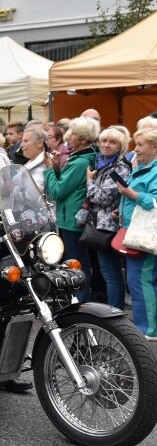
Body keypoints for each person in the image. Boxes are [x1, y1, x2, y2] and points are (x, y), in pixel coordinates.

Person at [44, 116, 100, 303]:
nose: (69, 136)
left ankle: (80, 300)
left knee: (77, 262)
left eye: (74, 133)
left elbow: (57, 191)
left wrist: (49, 170)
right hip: (74, 216)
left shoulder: (79, 162)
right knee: (80, 260)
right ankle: (79, 297)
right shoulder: (86, 157)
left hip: (71, 219)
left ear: (83, 139)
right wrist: (56, 168)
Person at [116, 128, 157, 339]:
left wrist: (130, 194)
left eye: (141, 144)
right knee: (142, 280)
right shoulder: (144, 166)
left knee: (141, 280)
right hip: (135, 231)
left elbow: (153, 201)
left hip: (145, 234)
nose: (136, 149)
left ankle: (147, 329)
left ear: (155, 147)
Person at [84, 126, 131, 309]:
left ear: (121, 146)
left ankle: (115, 310)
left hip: (109, 225)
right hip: (99, 222)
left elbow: (102, 197)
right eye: (103, 141)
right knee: (106, 271)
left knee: (111, 272)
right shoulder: (99, 162)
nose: (106, 145)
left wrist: (89, 181)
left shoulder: (119, 168)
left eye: (112, 142)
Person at [20, 126, 49, 192]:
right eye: (22, 141)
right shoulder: (32, 161)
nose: (21, 145)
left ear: (40, 143)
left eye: (26, 141)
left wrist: (12, 188)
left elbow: (33, 194)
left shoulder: (44, 163)